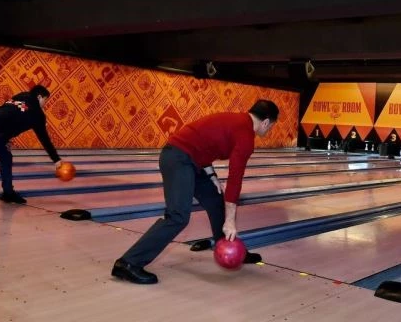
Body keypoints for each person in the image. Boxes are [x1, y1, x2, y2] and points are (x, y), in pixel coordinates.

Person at [112, 99, 279, 284]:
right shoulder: (246, 136)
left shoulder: (236, 121)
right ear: (265, 122)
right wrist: (230, 221)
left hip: (190, 161)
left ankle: (231, 249)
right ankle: (128, 263)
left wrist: (212, 176)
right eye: (271, 126)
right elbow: (235, 180)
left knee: (216, 199)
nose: (269, 130)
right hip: (178, 159)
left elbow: (204, 144)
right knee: (178, 216)